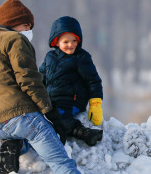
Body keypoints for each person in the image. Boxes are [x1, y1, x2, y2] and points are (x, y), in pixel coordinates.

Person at [0, 0, 131, 174]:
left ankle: (15, 145)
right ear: (20, 23)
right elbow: (30, 80)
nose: (30, 32)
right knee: (62, 162)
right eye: (29, 27)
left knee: (29, 136)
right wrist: (49, 114)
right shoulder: (15, 40)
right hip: (21, 114)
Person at [38, 16, 103, 146]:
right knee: (41, 117)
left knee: (57, 118)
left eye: (74, 41)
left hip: (71, 100)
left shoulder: (81, 57)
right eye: (66, 42)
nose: (71, 45)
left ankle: (84, 133)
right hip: (52, 100)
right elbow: (41, 78)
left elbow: (93, 81)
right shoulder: (49, 57)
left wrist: (95, 103)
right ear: (56, 42)